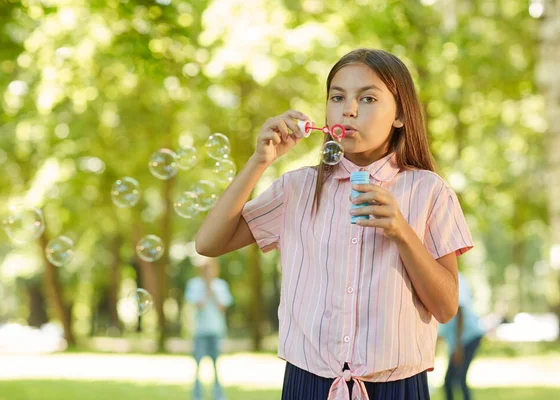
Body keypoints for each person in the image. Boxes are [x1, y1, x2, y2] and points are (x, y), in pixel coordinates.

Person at [195, 48, 473, 400]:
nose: (349, 109)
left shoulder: (430, 191)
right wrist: (259, 161)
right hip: (307, 382)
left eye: (368, 98)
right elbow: (208, 243)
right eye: (337, 96)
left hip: (398, 387)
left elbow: (447, 307)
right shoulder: (297, 188)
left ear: (401, 114)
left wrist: (402, 232)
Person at [184, 256, 233, 400]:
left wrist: (212, 288)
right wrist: (206, 288)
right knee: (197, 366)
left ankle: (218, 395)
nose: (208, 272)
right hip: (200, 331)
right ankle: (197, 395)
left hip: (216, 331)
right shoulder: (194, 285)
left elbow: (222, 306)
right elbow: (198, 305)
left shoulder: (221, 285)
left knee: (216, 366)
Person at [438, 272, 484, 400]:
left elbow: (460, 311)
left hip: (468, 338)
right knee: (450, 381)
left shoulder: (454, 277)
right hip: (461, 340)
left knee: (457, 380)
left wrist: (458, 346)